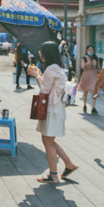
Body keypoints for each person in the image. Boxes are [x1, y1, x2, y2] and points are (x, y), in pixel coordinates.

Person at [28, 41, 79, 183]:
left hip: (51, 108)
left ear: (46, 54)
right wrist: (39, 74)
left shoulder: (51, 69)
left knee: (48, 141)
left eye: (41, 52)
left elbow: (44, 90)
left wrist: (37, 76)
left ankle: (53, 175)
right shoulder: (57, 67)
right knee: (50, 140)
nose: (40, 54)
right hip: (57, 108)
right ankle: (69, 164)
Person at [79, 45, 101, 114]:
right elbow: (82, 67)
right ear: (87, 50)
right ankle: (85, 105)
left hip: (93, 74)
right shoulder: (84, 58)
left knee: (94, 90)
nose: (91, 51)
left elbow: (99, 67)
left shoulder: (96, 58)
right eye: (89, 50)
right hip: (86, 74)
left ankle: (93, 107)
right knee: (85, 90)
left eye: (92, 50)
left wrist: (100, 74)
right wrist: (88, 63)